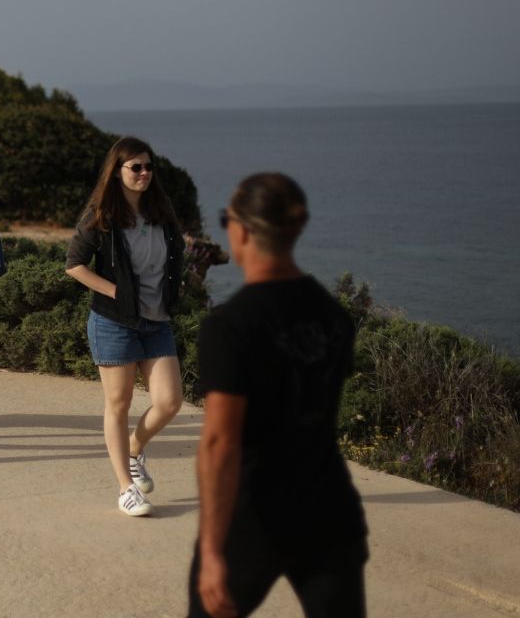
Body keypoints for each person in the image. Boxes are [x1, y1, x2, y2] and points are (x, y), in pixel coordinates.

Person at [189, 173, 368, 618]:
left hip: (255, 517)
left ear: (242, 230)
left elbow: (219, 443)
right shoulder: (334, 316)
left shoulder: (230, 327)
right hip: (331, 512)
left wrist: (212, 551)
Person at [65, 136, 185, 517]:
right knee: (118, 403)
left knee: (169, 401)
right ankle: (125, 488)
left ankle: (135, 448)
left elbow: (174, 255)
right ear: (117, 172)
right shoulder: (100, 216)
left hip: (156, 320)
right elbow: (74, 264)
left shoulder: (161, 213)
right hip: (114, 322)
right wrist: (116, 291)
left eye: (148, 166)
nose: (144, 173)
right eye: (136, 167)